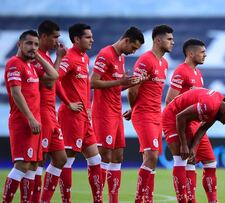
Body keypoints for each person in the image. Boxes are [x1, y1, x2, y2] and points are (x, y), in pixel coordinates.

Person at [2, 30, 58, 203]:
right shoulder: (14, 63)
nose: (32, 47)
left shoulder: (31, 67)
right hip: (23, 122)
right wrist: (31, 118)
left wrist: (38, 56)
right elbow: (16, 93)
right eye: (29, 44)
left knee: (33, 165)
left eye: (35, 44)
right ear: (19, 44)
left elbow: (54, 76)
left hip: (35, 123)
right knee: (22, 165)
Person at [90, 26, 144, 203]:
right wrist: (121, 81)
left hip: (116, 112)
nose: (132, 52)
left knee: (119, 155)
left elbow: (115, 87)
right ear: (126, 40)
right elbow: (92, 82)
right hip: (103, 112)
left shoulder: (120, 58)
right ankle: (98, 198)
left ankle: (114, 199)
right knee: (105, 155)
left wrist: (130, 83)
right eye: (133, 48)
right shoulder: (106, 54)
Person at [31, 20, 82, 203]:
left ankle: (44, 199)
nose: (57, 41)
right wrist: (60, 57)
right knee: (38, 161)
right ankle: (34, 199)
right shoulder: (37, 57)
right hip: (42, 113)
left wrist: (68, 103)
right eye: (55, 37)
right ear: (43, 36)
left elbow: (57, 84)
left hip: (52, 114)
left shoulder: (46, 57)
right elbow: (51, 81)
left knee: (60, 159)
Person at [163, 88, 225, 203]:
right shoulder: (210, 105)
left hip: (187, 121)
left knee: (194, 159)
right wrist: (184, 144)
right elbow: (180, 117)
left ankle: (200, 200)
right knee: (181, 159)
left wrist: (194, 148)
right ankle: (182, 200)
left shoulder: (219, 108)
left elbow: (203, 128)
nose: (224, 123)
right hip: (172, 116)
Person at [123, 24, 174, 203]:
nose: (172, 42)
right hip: (144, 114)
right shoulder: (146, 60)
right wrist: (135, 108)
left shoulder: (165, 63)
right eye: (169, 39)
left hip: (156, 115)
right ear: (158, 40)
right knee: (151, 155)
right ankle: (140, 199)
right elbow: (132, 90)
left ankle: (147, 198)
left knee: (151, 157)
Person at [165, 38, 218, 203]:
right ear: (190, 53)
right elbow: (170, 101)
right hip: (184, 123)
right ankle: (189, 199)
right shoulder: (181, 71)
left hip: (197, 124)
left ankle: (212, 200)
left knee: (210, 162)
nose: (205, 55)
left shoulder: (198, 73)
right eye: (202, 52)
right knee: (186, 162)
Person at [57, 23, 103, 203]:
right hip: (71, 117)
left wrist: (89, 107)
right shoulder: (69, 58)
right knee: (67, 160)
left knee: (95, 158)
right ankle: (65, 200)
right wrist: (68, 103)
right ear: (76, 39)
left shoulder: (84, 58)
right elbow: (55, 79)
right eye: (88, 37)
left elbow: (84, 87)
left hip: (84, 116)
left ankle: (97, 199)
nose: (92, 40)